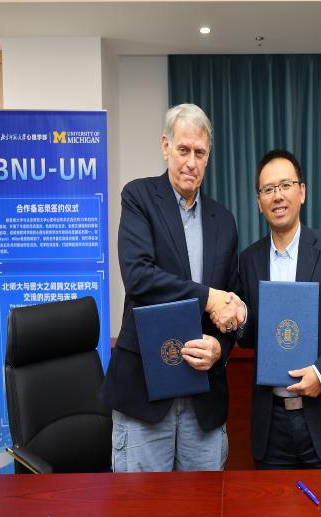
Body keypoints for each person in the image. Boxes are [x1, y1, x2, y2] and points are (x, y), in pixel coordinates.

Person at [100, 103, 244, 472]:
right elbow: (138, 277)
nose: (191, 162)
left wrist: (221, 347)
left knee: (205, 501)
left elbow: (230, 301)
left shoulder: (224, 220)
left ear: (208, 156)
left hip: (203, 399)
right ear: (165, 147)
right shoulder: (139, 198)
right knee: (141, 502)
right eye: (183, 150)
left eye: (200, 152)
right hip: (145, 395)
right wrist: (208, 297)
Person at [235, 149, 321, 469]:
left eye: (286, 185)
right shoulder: (249, 260)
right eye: (268, 189)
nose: (277, 196)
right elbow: (249, 337)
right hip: (271, 428)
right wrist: (238, 319)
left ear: (302, 192)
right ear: (259, 202)